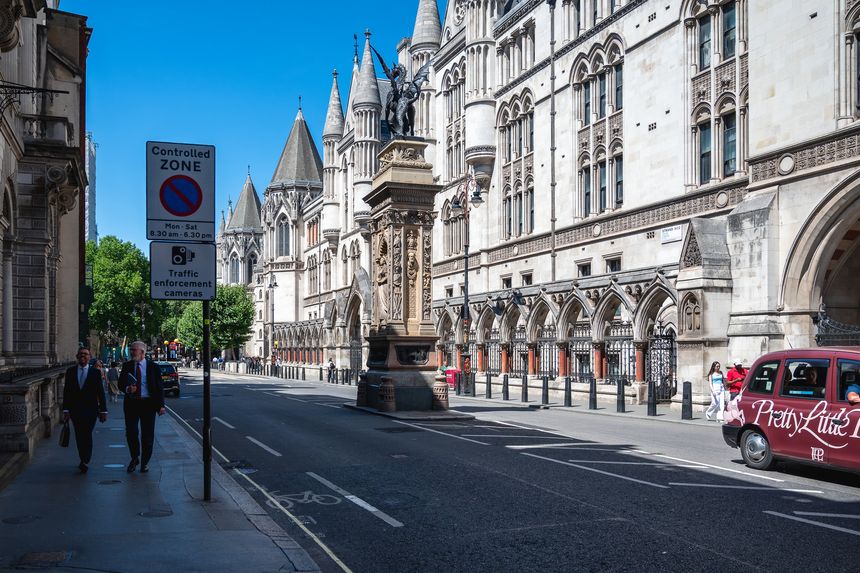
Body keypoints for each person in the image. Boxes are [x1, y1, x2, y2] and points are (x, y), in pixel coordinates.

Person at [119, 341, 165, 473]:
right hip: (132, 403)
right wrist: (128, 389)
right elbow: (121, 384)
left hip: (148, 404)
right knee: (131, 432)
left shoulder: (153, 367)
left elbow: (159, 387)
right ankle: (135, 457)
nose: (132, 352)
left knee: (147, 435)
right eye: (131, 349)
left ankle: (145, 462)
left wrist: (161, 405)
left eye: (134, 350)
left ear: (143, 352)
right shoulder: (127, 366)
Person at [62, 348, 108, 473]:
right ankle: (83, 458)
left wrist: (103, 410)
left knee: (86, 433)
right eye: (81, 354)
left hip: (91, 410)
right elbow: (67, 391)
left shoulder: (95, 373)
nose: (83, 356)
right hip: (75, 410)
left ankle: (85, 459)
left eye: (85, 354)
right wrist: (65, 409)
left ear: (90, 357)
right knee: (79, 434)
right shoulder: (71, 371)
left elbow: (100, 392)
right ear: (77, 356)